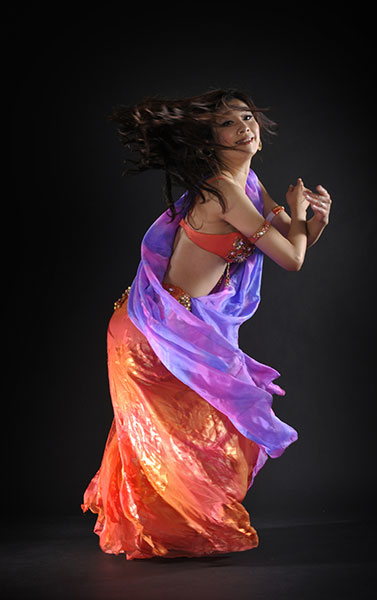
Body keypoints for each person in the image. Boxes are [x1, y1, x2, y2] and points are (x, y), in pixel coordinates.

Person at [81, 89, 331, 560]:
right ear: (210, 139)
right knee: (173, 433)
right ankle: (158, 532)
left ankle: (169, 531)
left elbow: (290, 244)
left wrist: (314, 222)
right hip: (151, 333)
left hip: (174, 328)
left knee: (190, 430)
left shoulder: (247, 183)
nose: (244, 127)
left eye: (247, 117)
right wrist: (299, 215)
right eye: (228, 123)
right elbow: (292, 257)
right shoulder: (225, 192)